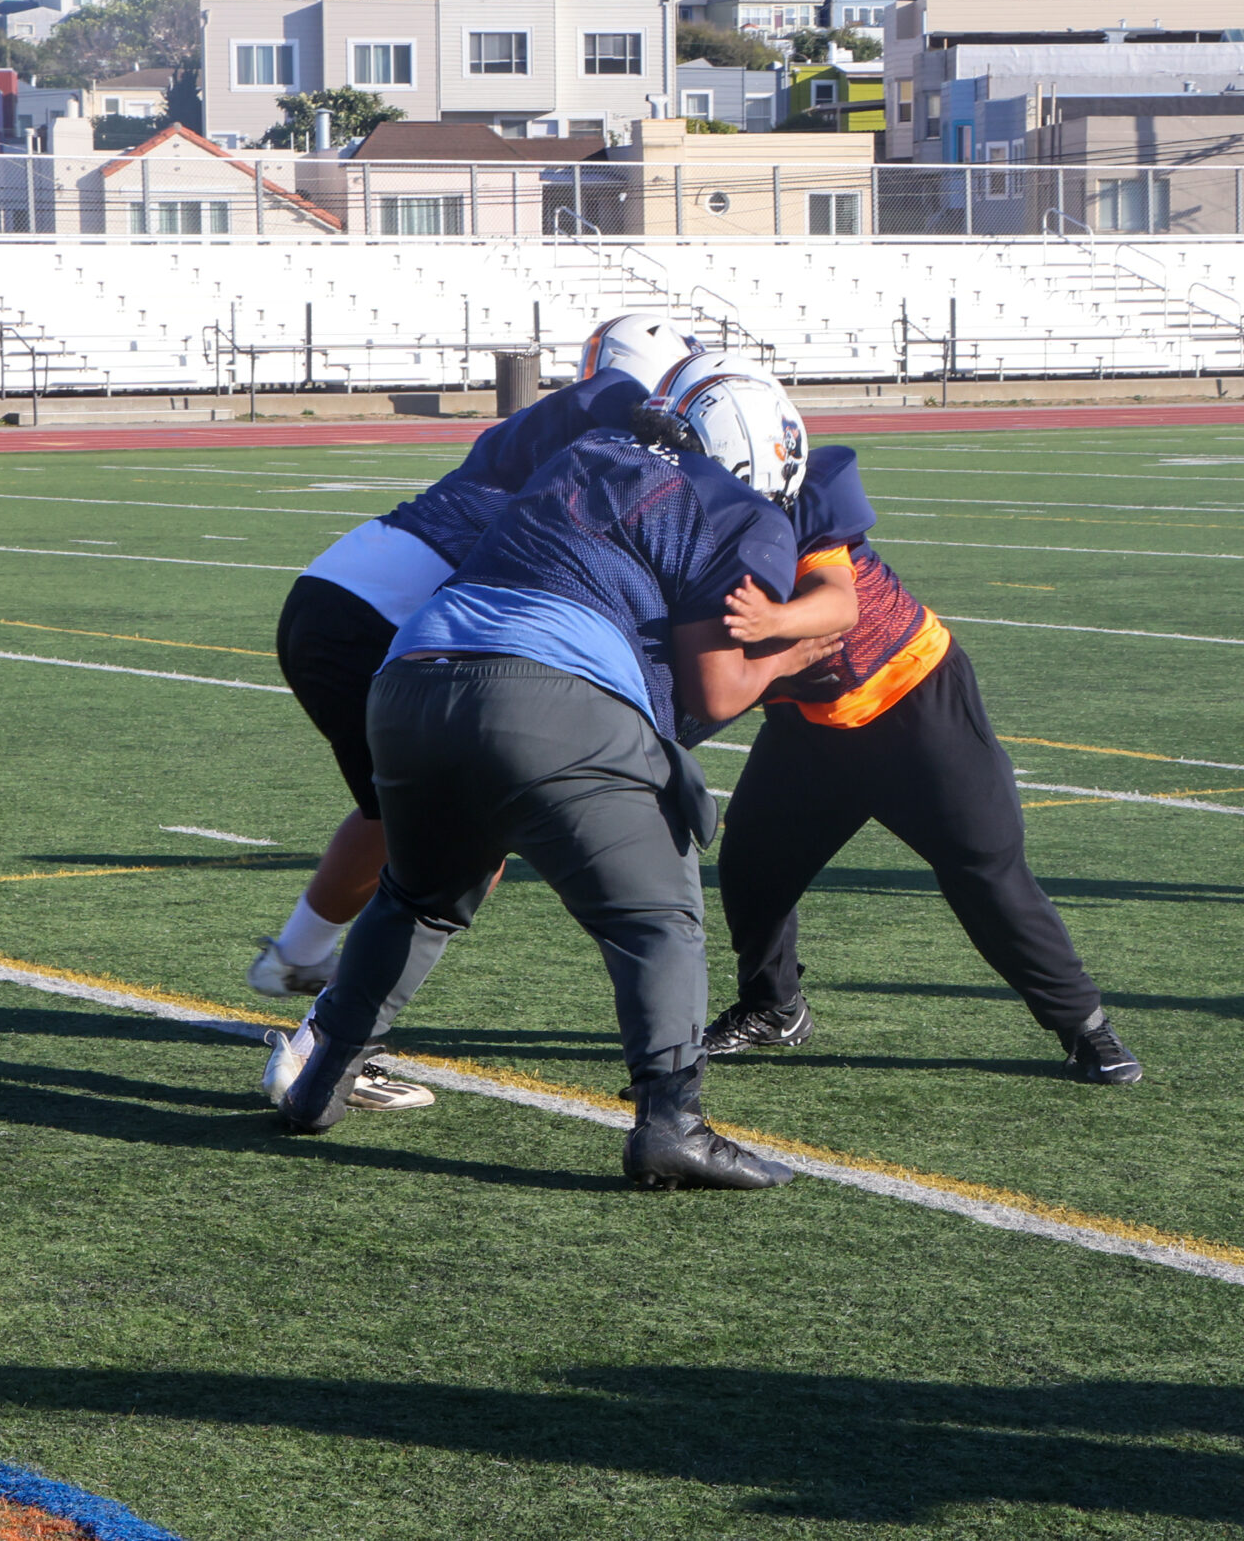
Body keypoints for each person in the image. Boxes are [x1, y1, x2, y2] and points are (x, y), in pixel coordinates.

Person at [278, 366, 837, 1189]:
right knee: (658, 916)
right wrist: (798, 650)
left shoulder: (583, 455)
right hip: (546, 695)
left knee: (417, 896)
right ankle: (670, 1124)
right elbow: (710, 692)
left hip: (409, 682)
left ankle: (318, 1080)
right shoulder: (741, 507)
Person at [253, 314, 704, 1113]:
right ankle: (321, 1041)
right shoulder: (619, 399)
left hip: (344, 592)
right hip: (392, 616)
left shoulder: (560, 416)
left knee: (404, 820)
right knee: (458, 849)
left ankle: (299, 957)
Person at [694, 431, 1144, 1083]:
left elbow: (838, 603)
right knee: (753, 866)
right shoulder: (683, 518)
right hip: (811, 720)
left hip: (912, 700)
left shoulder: (801, 494)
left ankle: (1084, 1026)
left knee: (985, 868)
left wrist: (770, 625)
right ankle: (775, 1006)